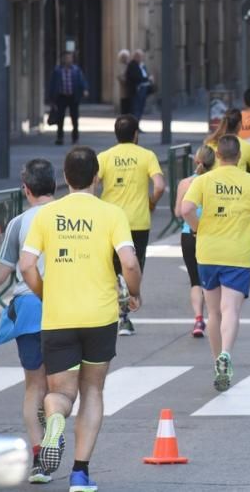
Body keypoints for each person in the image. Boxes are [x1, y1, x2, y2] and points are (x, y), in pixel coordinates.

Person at [19, 146, 143, 490]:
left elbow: (27, 265)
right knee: (92, 390)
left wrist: (46, 293)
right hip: (99, 316)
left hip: (58, 316)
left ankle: (56, 419)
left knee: (59, 392)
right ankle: (79, 473)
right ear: (97, 177)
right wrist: (134, 292)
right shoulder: (111, 213)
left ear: (64, 178)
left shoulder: (47, 215)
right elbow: (129, 263)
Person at [181, 135, 250, 391]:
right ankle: (226, 353)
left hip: (208, 251)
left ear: (219, 155)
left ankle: (217, 362)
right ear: (239, 156)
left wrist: (198, 228)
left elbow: (185, 209)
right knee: (231, 309)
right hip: (238, 253)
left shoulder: (204, 181)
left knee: (213, 311)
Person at [0, 159, 57, 483]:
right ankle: (57, 423)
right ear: (56, 185)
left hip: (29, 306)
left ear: (25, 189)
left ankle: (41, 456)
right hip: (72, 306)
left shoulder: (19, 223)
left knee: (34, 386)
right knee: (64, 387)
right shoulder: (71, 215)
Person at [97, 114, 166, 336]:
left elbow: (90, 183)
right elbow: (159, 186)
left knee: (113, 268)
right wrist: (152, 202)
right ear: (136, 135)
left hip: (110, 222)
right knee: (133, 267)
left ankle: (118, 313)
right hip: (138, 222)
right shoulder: (147, 156)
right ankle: (124, 315)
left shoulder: (105, 157)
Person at [174, 145, 215, 338]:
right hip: (211, 233)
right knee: (212, 280)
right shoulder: (215, 182)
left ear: (195, 160)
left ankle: (198, 319)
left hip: (188, 233)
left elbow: (177, 211)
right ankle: (215, 317)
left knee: (195, 280)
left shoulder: (185, 183)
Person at [206, 109, 250, 177]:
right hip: (240, 185)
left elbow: (203, 167)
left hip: (215, 185)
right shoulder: (246, 146)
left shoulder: (210, 143)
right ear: (239, 124)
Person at [47, 51, 89, 146]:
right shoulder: (57, 70)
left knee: (74, 118)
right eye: (66, 58)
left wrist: (85, 89)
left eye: (70, 58)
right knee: (60, 118)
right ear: (63, 59)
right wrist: (52, 98)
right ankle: (60, 137)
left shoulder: (76, 70)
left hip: (73, 97)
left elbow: (82, 80)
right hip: (61, 97)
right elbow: (52, 84)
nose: (68, 60)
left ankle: (75, 138)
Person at [125, 49, 153, 124]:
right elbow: (136, 77)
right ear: (136, 57)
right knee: (136, 109)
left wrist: (149, 79)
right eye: (140, 56)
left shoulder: (142, 65)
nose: (141, 58)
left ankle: (137, 124)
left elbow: (144, 74)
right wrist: (147, 78)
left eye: (142, 56)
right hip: (137, 89)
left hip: (144, 88)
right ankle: (134, 125)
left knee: (140, 108)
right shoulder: (132, 65)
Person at [116, 49, 131, 115]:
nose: (125, 58)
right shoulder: (119, 66)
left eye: (126, 57)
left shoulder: (130, 65)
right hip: (124, 90)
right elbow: (119, 76)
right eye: (123, 57)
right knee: (124, 107)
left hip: (131, 90)